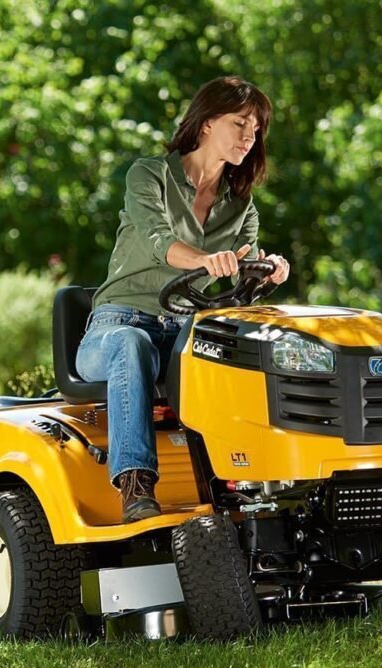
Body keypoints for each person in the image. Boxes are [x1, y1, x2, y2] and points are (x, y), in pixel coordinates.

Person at [76, 76, 290, 523]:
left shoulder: (242, 208)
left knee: (247, 348)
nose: (250, 137)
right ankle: (135, 486)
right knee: (131, 344)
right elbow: (159, 241)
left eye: (256, 129)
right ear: (207, 121)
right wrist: (206, 259)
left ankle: (256, 481)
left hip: (183, 330)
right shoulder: (149, 175)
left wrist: (267, 272)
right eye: (240, 123)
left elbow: (240, 286)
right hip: (118, 325)